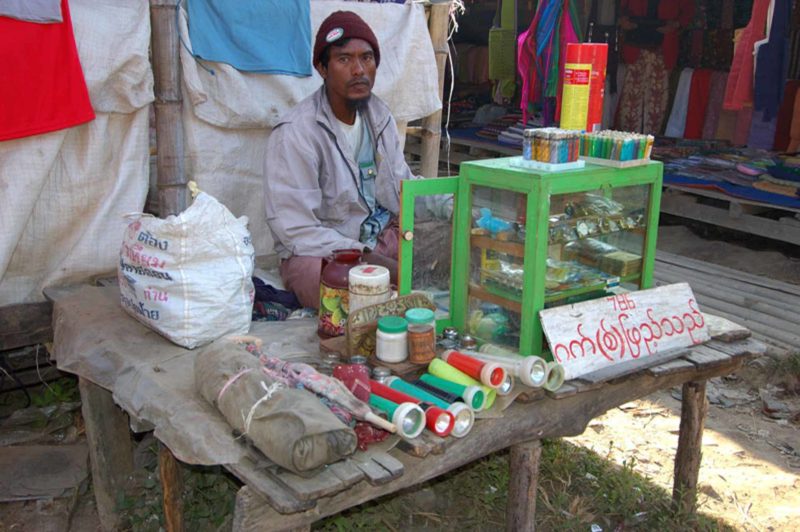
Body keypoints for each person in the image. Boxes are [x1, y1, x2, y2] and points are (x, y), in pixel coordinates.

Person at [263, 11, 416, 309]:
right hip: (327, 253)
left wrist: (459, 203)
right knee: (325, 282)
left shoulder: (379, 116)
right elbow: (296, 230)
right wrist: (368, 258)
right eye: (344, 60)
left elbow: (403, 188)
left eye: (367, 58)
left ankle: (393, 290)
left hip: (381, 240)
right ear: (322, 67)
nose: (359, 70)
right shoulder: (296, 133)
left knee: (451, 245)